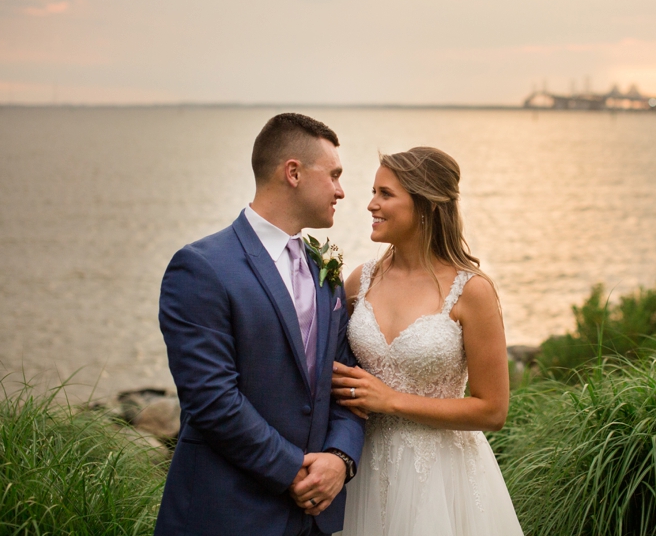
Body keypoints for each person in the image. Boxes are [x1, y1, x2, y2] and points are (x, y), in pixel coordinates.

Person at [155, 113, 365, 536]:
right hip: (228, 513)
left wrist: (340, 460)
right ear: (293, 172)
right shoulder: (201, 267)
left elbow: (347, 384)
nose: (342, 191)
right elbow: (211, 399)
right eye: (334, 175)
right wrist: (294, 472)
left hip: (312, 520)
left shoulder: (324, 271)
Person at [331, 147, 524, 536]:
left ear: (425, 205)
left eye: (385, 194)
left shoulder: (471, 291)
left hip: (441, 477)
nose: (371, 204)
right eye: (373, 192)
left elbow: (492, 411)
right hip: (364, 471)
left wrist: (391, 400)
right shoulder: (359, 281)